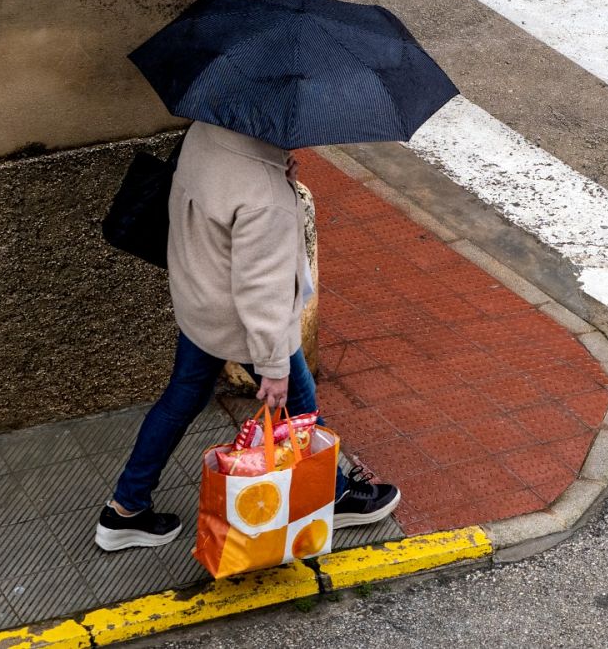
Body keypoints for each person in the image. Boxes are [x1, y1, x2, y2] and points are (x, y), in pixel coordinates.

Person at [95, 121, 400, 551]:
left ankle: (125, 508)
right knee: (301, 405)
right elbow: (263, 290)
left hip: (199, 305)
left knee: (180, 400)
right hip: (242, 323)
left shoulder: (205, 132)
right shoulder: (264, 197)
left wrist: (281, 177)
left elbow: (222, 201)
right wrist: (274, 366)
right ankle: (335, 495)